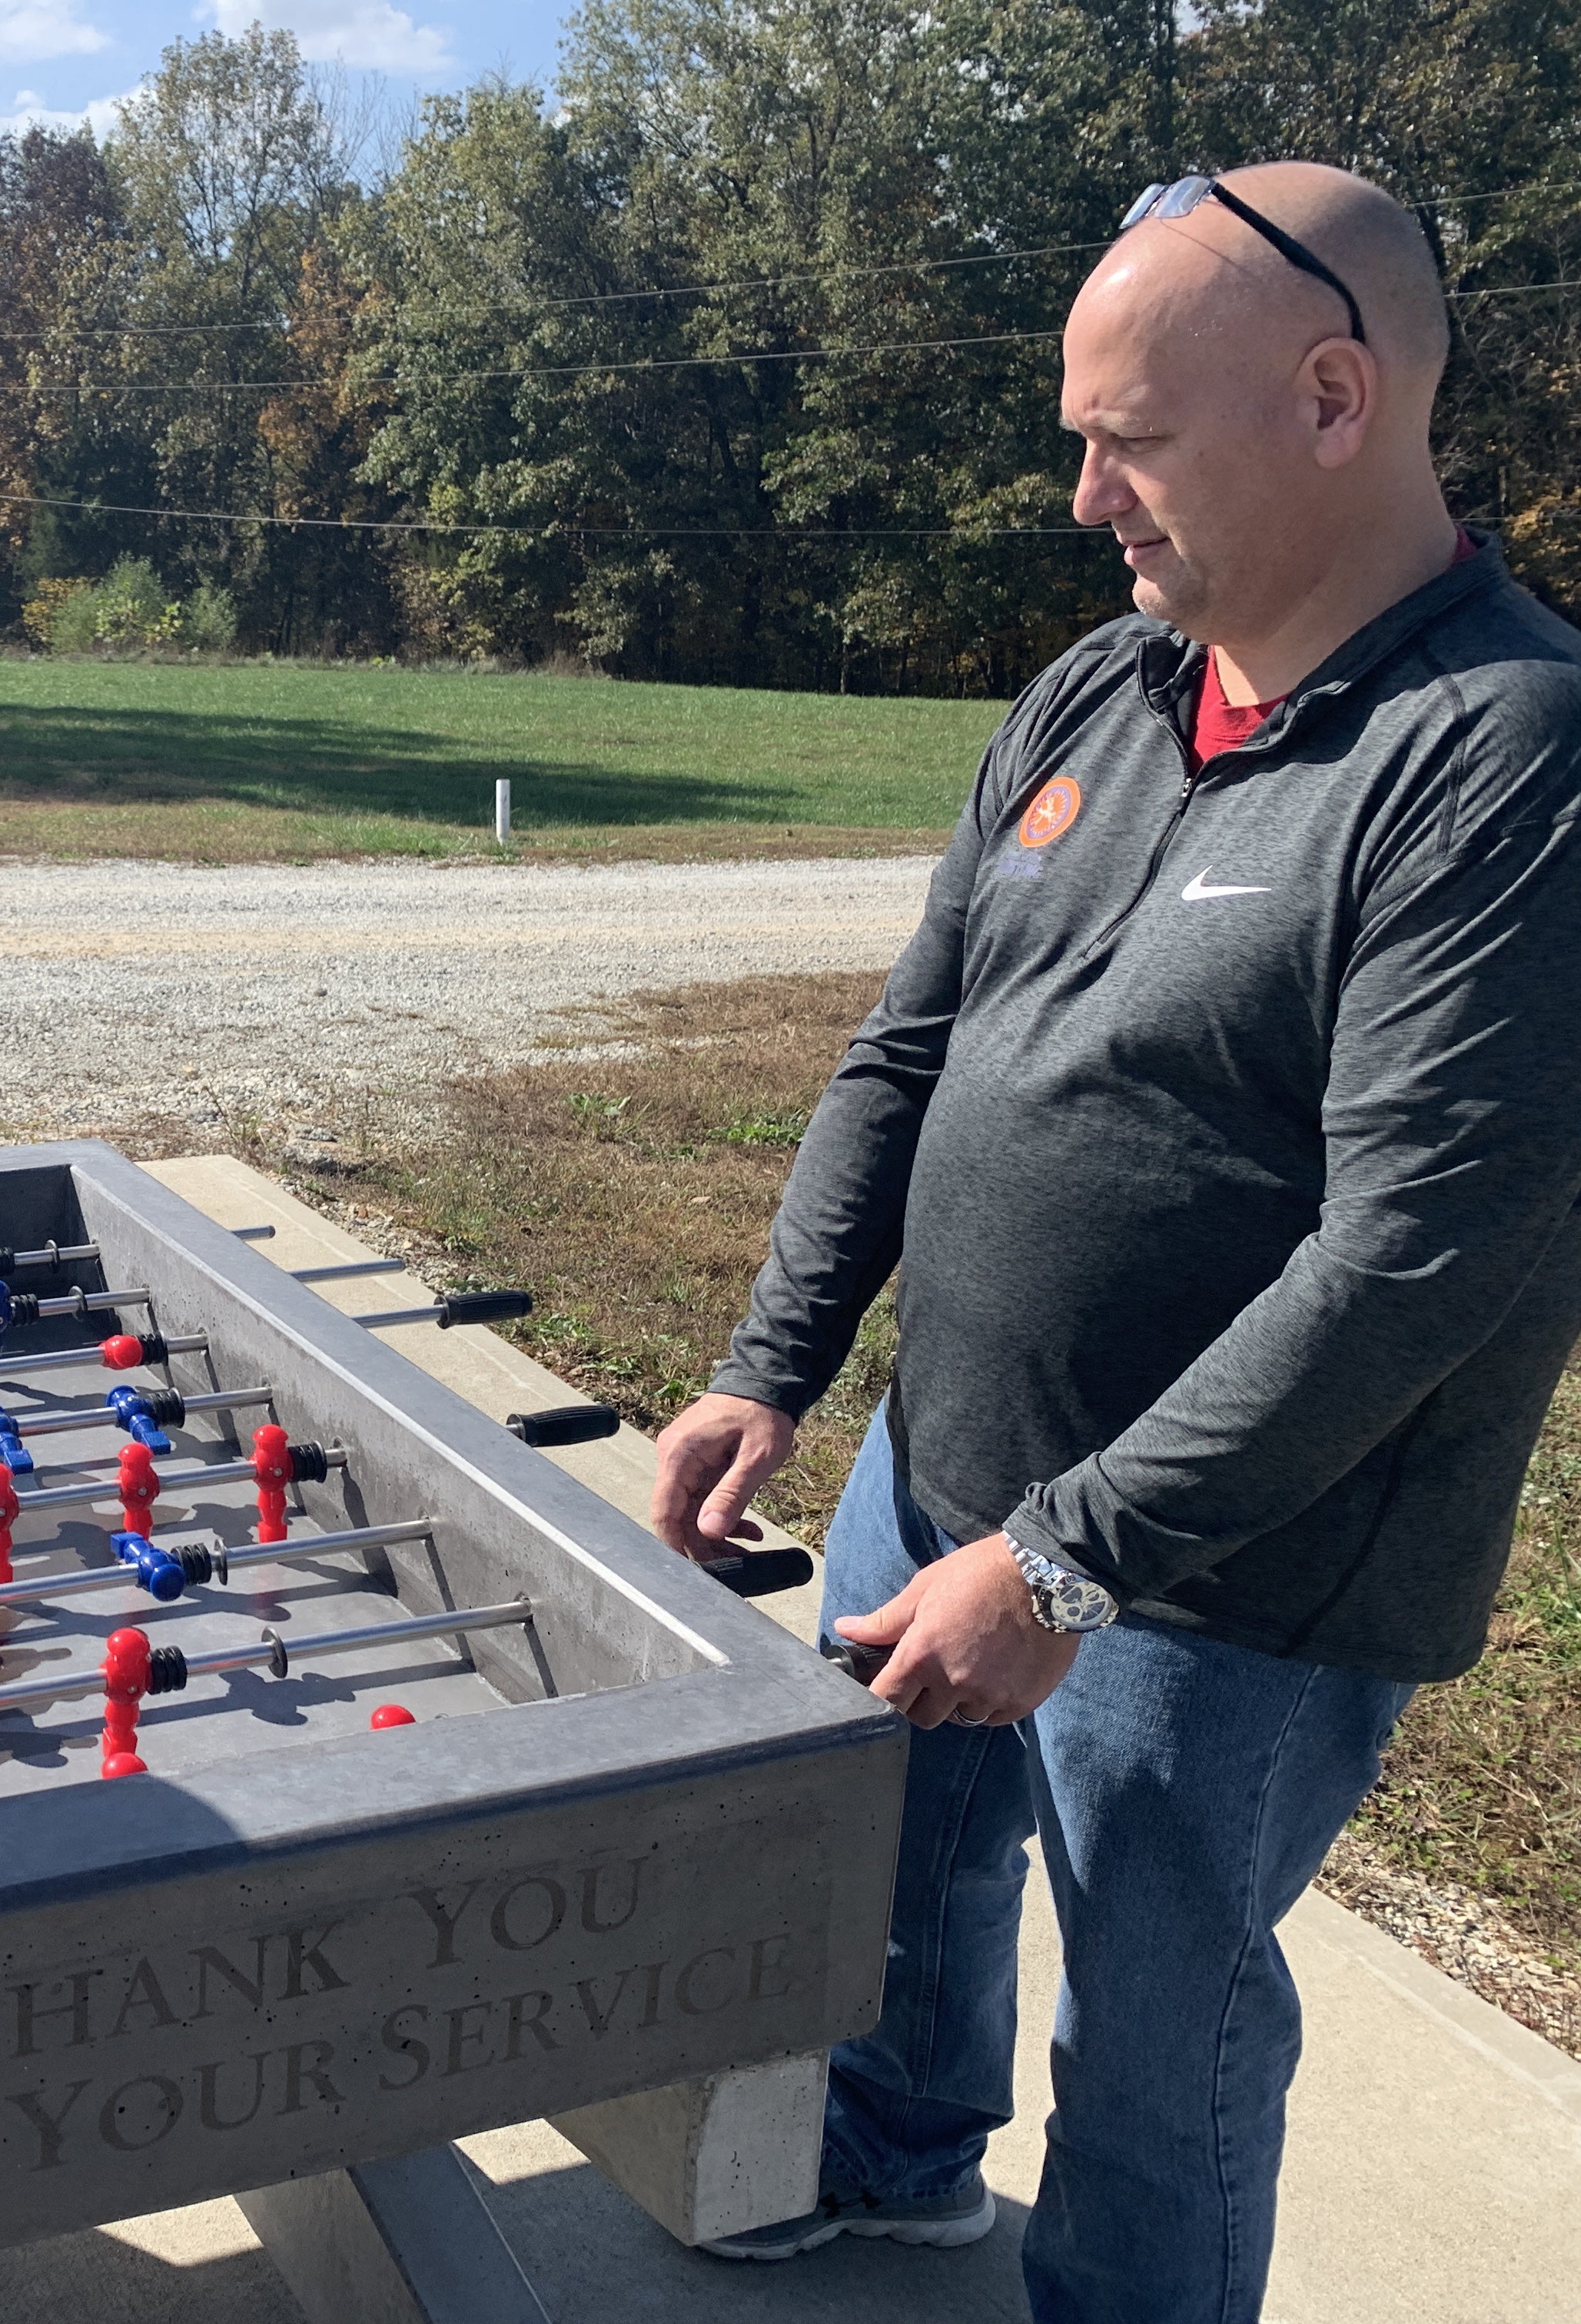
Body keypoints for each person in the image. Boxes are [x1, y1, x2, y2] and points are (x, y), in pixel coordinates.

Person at [648, 162, 1581, 2321]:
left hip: (1239, 1574)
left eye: (1130, 440)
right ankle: (892, 2166)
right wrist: (769, 1366)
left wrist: (1075, 1560)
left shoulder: (1507, 757)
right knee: (894, 1873)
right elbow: (910, 1050)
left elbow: (1421, 1253)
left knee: (1159, 2024)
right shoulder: (1104, 690)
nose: (1086, 498)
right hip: (939, 1454)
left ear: (1335, 400)